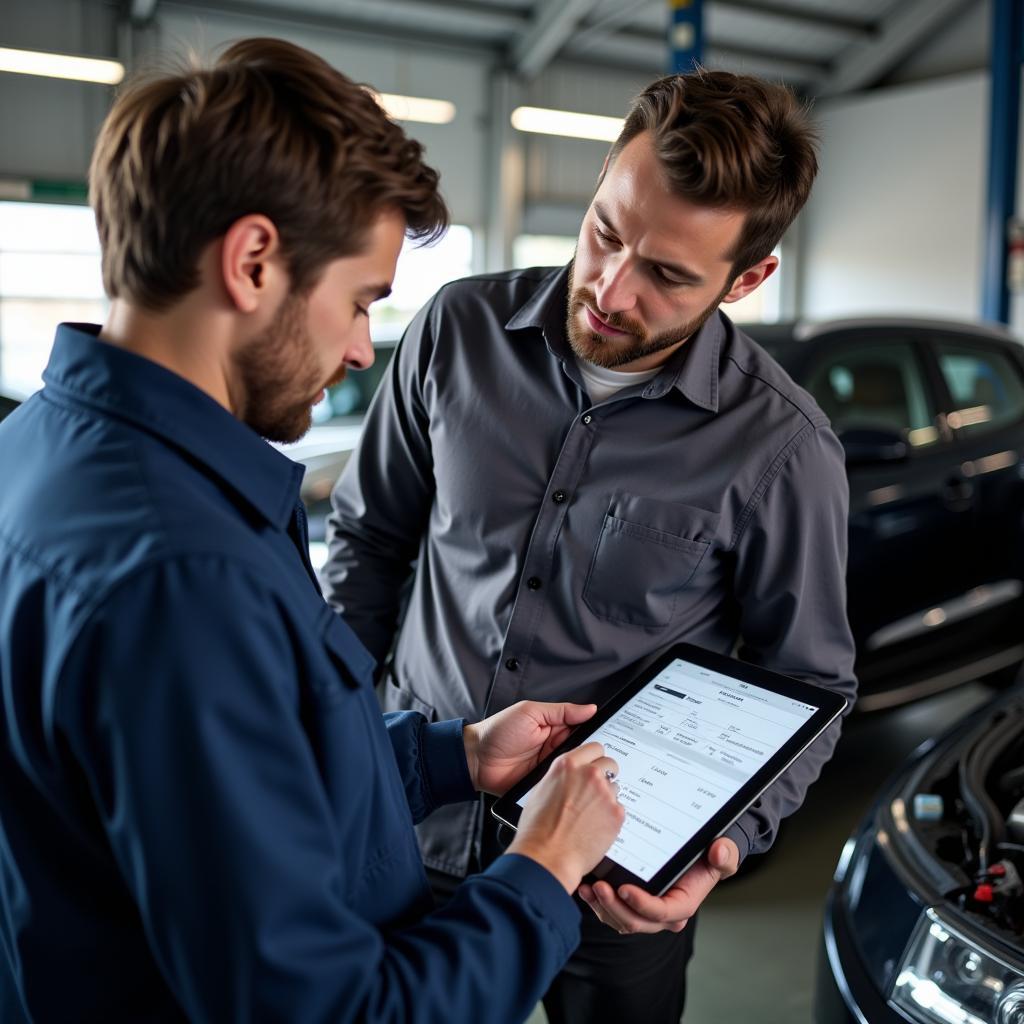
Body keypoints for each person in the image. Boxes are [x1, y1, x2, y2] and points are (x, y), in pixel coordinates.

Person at [0, 38, 629, 1024]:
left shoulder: (38, 449)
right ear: (253, 261)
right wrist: (543, 863)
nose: (354, 349)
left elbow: (248, 783)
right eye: (359, 301)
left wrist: (450, 756)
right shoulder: (181, 576)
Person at [324, 69, 859, 1023]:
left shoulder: (783, 449)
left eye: (668, 275)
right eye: (607, 233)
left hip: (609, 886)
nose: (610, 290)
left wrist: (722, 850)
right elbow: (369, 543)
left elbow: (809, 685)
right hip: (406, 815)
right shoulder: (456, 331)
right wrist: (332, 746)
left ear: (748, 278)